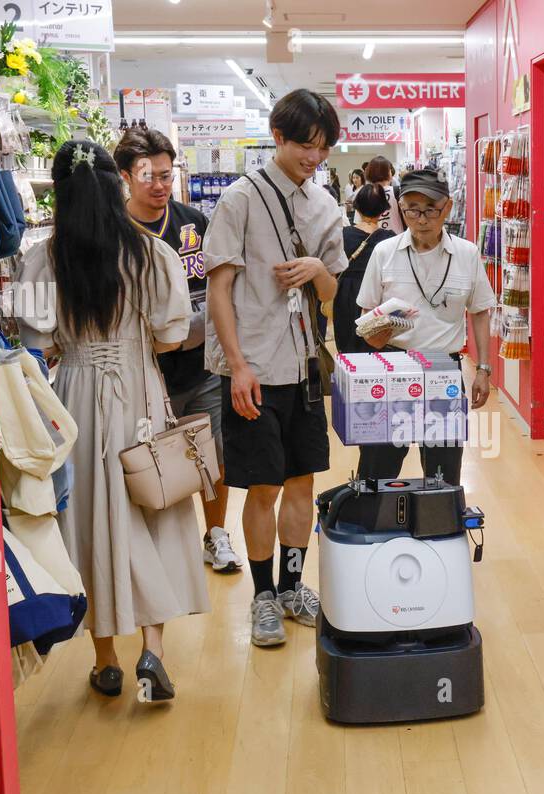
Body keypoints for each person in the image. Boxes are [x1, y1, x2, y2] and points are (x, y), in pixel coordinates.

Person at [15, 140, 210, 703]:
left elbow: (38, 344)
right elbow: (173, 335)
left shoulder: (43, 259)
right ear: (118, 186)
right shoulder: (151, 254)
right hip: (140, 390)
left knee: (90, 518)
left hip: (74, 395)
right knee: (154, 505)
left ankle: (105, 661)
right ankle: (154, 649)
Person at [203, 90, 347, 647]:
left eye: (324, 147)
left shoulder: (325, 205)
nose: (315, 157)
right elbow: (219, 289)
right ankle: (262, 597)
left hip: (306, 364)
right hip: (254, 367)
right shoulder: (240, 199)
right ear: (278, 137)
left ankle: (292, 587)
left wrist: (316, 269)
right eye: (306, 145)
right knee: (261, 485)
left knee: (302, 481)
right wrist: (236, 365)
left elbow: (334, 294)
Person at [113, 126, 242, 575]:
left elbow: (219, 288)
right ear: (126, 176)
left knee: (214, 453)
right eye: (149, 176)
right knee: (147, 458)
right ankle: (153, 547)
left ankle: (217, 535)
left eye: (167, 175)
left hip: (201, 362)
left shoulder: (193, 222)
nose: (160, 185)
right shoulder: (112, 230)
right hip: (141, 371)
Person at [355, 168, 495, 487]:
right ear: (401, 210)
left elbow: (479, 313)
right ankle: (373, 530)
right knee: (378, 467)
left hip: (443, 371)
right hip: (392, 368)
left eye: (430, 209)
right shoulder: (383, 253)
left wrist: (484, 370)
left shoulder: (467, 254)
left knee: (443, 471)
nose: (421, 219)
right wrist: (376, 331)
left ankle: (439, 528)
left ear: (448, 207)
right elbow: (366, 314)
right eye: (412, 210)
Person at [332, 185, 396, 355]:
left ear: (357, 207)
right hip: (378, 293)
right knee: (376, 342)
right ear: (383, 210)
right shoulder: (390, 238)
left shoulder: (343, 234)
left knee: (348, 342)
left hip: (346, 292)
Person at [364, 156, 404, 234]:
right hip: (397, 239)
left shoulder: (366, 194)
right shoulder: (397, 191)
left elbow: (360, 221)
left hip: (375, 240)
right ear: (388, 173)